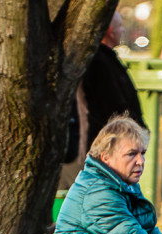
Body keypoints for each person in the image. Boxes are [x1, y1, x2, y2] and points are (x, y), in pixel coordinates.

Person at [58, 12, 145, 189]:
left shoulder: (104, 58)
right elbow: (113, 106)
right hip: (99, 149)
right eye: (120, 26)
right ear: (110, 30)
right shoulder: (99, 62)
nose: (122, 30)